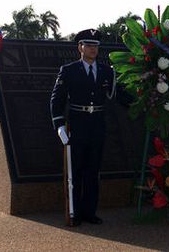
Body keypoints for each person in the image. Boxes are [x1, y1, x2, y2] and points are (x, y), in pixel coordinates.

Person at [50, 29, 115, 225]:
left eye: (96, 45)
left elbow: (119, 95)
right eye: (89, 45)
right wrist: (59, 124)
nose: (93, 49)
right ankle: (75, 212)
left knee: (92, 170)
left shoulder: (107, 71)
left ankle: (89, 212)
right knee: (76, 170)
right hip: (77, 124)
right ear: (80, 47)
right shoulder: (68, 70)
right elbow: (57, 99)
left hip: (97, 124)